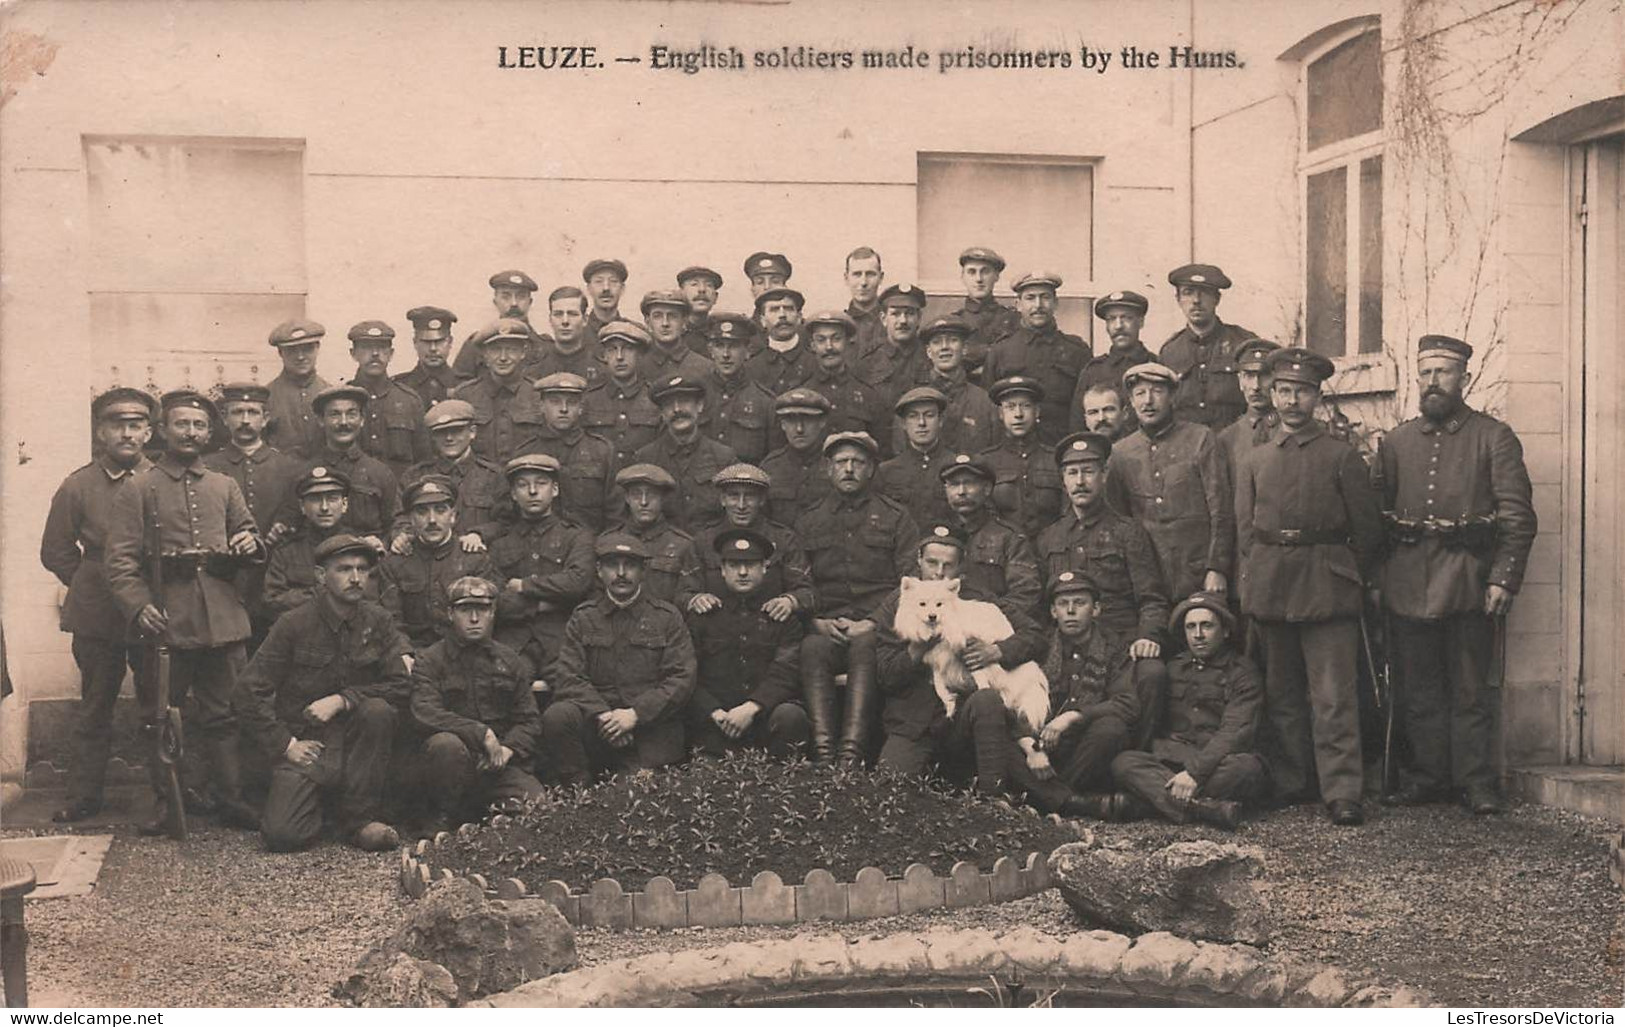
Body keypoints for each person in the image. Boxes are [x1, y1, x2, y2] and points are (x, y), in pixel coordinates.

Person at [1375, 334, 1537, 814]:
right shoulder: (1397, 441)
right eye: (1425, 372)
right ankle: (1427, 777)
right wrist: (1381, 580)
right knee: (1419, 687)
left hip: (1469, 580)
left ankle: (1475, 780)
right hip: (1408, 582)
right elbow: (1375, 517)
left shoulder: (1494, 437)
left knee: (1470, 687)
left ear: (1463, 377)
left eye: (1443, 372)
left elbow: (1517, 516)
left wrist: (1503, 578)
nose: (1432, 382)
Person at [1235, 347, 1383, 826]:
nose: (1290, 400)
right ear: (1272, 394)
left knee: (1333, 694)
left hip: (1326, 585)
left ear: (1317, 396)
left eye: (1300, 391)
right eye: (1282, 390)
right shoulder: (1256, 460)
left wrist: (1344, 573)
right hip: (1273, 582)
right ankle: (1294, 781)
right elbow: (1245, 531)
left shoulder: (1341, 456)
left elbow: (1367, 531)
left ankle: (1342, 790)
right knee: (1281, 692)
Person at [105, 389, 263, 833]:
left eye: (198, 425)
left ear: (210, 432)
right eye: (181, 424)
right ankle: (165, 801)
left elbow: (249, 536)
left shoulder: (223, 486)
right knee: (159, 715)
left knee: (226, 713)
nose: (190, 432)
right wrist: (138, 607)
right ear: (162, 430)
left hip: (223, 618)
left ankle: (231, 799)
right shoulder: (139, 488)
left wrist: (251, 543)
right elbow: (119, 561)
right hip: (167, 621)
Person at [238, 534, 407, 852]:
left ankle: (359, 822)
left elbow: (401, 684)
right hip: (310, 744)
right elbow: (248, 690)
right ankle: (327, 811)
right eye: (344, 569)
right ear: (320, 576)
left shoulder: (379, 621)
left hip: (359, 744)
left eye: (362, 569)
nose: (356, 578)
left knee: (378, 711)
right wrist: (286, 744)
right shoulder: (294, 624)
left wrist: (343, 699)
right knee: (282, 835)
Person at [41, 388, 158, 823]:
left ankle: (162, 794)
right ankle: (84, 795)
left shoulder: (160, 479)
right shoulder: (78, 485)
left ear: (148, 431)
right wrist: (92, 583)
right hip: (97, 615)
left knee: (156, 702)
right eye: (116, 425)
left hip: (150, 607)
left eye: (135, 425)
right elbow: (55, 550)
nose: (126, 434)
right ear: (101, 432)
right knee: (95, 704)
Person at [871, 525, 1046, 793]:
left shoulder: (979, 598)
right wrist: (918, 649)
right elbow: (886, 675)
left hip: (965, 717)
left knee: (987, 701)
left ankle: (992, 797)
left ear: (960, 568)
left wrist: (997, 650)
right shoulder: (898, 603)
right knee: (889, 788)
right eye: (931, 562)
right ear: (918, 560)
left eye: (948, 565)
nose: (939, 572)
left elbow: (1034, 635)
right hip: (913, 721)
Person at [1034, 432, 1171, 742]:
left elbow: (1152, 598)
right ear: (1063, 480)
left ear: (1104, 474)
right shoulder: (1049, 538)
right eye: (1072, 472)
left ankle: (1137, 754)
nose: (1080, 480)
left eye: (1088, 471)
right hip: (1066, 645)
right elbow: (1041, 605)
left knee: (1152, 674)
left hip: (1120, 646)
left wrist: (1148, 636)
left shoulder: (1128, 532)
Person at [795, 431, 919, 762]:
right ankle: (823, 750)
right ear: (828, 469)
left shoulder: (896, 517)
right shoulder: (809, 519)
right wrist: (816, 622)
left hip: (877, 629)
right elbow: (797, 579)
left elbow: (910, 581)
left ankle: (851, 751)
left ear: (872, 469)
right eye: (841, 462)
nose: (849, 469)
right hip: (828, 626)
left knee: (866, 647)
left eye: (858, 462)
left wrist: (874, 623)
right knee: (812, 648)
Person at [540, 533, 696, 785]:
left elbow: (681, 679)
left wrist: (635, 714)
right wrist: (604, 715)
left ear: (643, 571)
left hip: (649, 731)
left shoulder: (667, 618)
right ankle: (578, 790)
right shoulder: (583, 618)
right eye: (613, 565)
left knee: (636, 797)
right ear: (599, 571)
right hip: (598, 726)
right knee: (558, 715)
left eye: (630, 565)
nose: (621, 573)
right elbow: (568, 677)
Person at [1110, 592, 1269, 828]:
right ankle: (1204, 810)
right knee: (1123, 762)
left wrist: (1194, 774)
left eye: (1207, 626)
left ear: (1225, 631)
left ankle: (1148, 804)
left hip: (1218, 762)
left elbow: (1235, 732)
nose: (1198, 635)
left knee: (1248, 769)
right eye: (1191, 627)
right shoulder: (1174, 667)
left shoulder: (1242, 673)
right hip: (1173, 759)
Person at [409, 576, 545, 830]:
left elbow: (529, 720)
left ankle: (487, 819)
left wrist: (507, 750)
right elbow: (425, 711)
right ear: (450, 613)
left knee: (538, 806)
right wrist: (480, 733)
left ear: (493, 612)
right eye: (464, 609)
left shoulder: (509, 660)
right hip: (452, 764)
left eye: (482, 609)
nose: (474, 618)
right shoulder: (430, 659)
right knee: (445, 745)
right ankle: (445, 818)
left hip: (497, 765)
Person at [1010, 572, 1138, 817]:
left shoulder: (1113, 647)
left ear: (1096, 609)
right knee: (996, 730)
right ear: (1052, 611)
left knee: (1112, 729)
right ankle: (1069, 802)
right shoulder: (1038, 646)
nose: (1070, 611)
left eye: (1079, 603)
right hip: (1035, 746)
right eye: (1062, 604)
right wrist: (1031, 749)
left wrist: (1073, 716)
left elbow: (1128, 703)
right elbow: (1012, 701)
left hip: (1080, 751)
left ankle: (1043, 797)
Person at [1108, 362, 1234, 602]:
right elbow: (1119, 520)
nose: (1148, 401)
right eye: (1140, 394)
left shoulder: (1201, 439)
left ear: (1173, 396)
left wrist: (1217, 568)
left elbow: (1221, 511)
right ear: (1131, 402)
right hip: (1147, 579)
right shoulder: (1121, 453)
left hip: (1198, 574)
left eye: (1157, 392)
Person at [685, 529, 812, 759]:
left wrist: (752, 707)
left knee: (791, 716)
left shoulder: (781, 616)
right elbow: (687, 672)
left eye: (751, 564)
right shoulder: (703, 616)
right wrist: (714, 712)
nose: (742, 572)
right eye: (734, 565)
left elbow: (786, 672)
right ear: (722, 570)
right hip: (717, 721)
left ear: (765, 567)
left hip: (763, 719)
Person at [204, 382, 302, 646]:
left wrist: (283, 525)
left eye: (253, 412)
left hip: (272, 578)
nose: (245, 420)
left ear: (266, 418)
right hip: (223, 577)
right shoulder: (208, 467)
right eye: (237, 412)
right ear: (224, 418)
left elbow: (294, 515)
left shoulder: (289, 468)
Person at [488, 454, 594, 679]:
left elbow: (578, 582)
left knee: (569, 695)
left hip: (562, 640)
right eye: (523, 485)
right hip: (513, 642)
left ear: (555, 490)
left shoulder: (576, 537)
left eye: (541, 483)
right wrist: (540, 605)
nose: (533, 491)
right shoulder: (500, 543)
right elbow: (494, 599)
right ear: (513, 495)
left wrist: (525, 586)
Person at [379, 476, 500, 651]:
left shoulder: (475, 559)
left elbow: (487, 618)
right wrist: (404, 653)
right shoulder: (395, 562)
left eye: (440, 510)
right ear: (411, 520)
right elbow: (392, 620)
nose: (432, 520)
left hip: (465, 653)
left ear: (453, 516)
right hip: (414, 654)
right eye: (422, 512)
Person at [681, 462, 815, 620]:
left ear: (762, 500)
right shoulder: (703, 541)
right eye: (733, 496)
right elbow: (682, 594)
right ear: (722, 500)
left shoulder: (784, 539)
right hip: (717, 631)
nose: (741, 505)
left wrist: (790, 601)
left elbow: (808, 592)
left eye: (750, 496)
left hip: (770, 630)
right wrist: (696, 599)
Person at [979, 272, 1090, 447]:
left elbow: (1084, 408)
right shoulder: (1001, 351)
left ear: (1055, 303)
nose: (1038, 305)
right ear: (1018, 304)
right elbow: (989, 409)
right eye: (1030, 298)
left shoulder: (1076, 350)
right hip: (1012, 451)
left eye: (1045, 297)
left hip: (1061, 448)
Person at [264, 467, 379, 621]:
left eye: (332, 499)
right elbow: (272, 600)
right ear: (302, 507)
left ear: (344, 504)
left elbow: (370, 599)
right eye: (315, 499)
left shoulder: (360, 547)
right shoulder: (287, 550)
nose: (324, 507)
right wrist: (327, 593)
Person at [628, 374, 739, 531]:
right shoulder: (645, 458)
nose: (677, 409)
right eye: (668, 405)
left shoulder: (724, 458)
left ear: (700, 405)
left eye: (684, 401)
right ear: (661, 413)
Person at [939, 454, 1042, 617]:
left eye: (969, 483)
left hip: (993, 628)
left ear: (987, 489)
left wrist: (984, 618)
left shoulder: (1009, 537)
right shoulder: (936, 537)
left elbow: (1025, 595)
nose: (961, 492)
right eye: (954, 484)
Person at [1158, 263, 1257, 430]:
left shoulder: (1243, 343)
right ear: (1178, 300)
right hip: (1186, 446)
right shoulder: (1170, 351)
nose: (1196, 301)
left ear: (1217, 299)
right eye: (1188, 293)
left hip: (1232, 444)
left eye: (1204, 293)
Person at [296, 384, 400, 539]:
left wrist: (383, 545)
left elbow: (395, 525)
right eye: (334, 414)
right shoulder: (305, 472)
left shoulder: (380, 473)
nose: (344, 422)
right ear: (320, 420)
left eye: (351, 414)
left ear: (362, 419)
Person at [398, 399, 506, 540]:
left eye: (456, 431)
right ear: (433, 437)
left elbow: (506, 522)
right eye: (441, 432)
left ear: (472, 432)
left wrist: (479, 534)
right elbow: (399, 518)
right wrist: (403, 536)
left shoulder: (493, 476)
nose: (449, 438)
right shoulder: (415, 476)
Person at [450, 319, 547, 466]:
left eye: (511, 350)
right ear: (485, 355)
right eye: (495, 350)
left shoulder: (538, 393)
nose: (503, 357)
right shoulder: (465, 396)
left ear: (523, 352)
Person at [902, 315, 999, 456]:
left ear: (965, 348)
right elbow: (902, 453)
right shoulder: (912, 400)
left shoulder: (984, 401)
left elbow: (994, 452)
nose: (944, 348)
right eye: (937, 342)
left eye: (952, 341)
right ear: (929, 352)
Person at [532, 372, 617, 532]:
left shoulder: (602, 451)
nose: (563, 409)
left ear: (581, 408)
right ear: (542, 406)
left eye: (571, 403)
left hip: (593, 546)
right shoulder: (527, 452)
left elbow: (616, 514)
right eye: (555, 402)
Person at [981, 376, 1062, 539]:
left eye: (1025, 406)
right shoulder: (985, 462)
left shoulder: (1056, 460)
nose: (1018, 414)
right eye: (1010, 407)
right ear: (1001, 414)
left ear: (1037, 411)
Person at [347, 320, 430, 478]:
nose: (375, 354)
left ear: (391, 353)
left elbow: (423, 461)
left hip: (398, 494)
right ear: (353, 353)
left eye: (381, 347)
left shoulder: (410, 401)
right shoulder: (342, 400)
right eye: (366, 347)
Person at [607, 464, 701, 604]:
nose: (644, 502)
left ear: (663, 498)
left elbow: (686, 598)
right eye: (636, 495)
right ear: (627, 498)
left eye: (651, 494)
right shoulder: (609, 542)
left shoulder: (683, 545)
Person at [582, 320, 664, 470]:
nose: (619, 357)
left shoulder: (655, 399)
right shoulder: (589, 400)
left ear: (639, 354)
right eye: (612, 349)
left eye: (627, 349)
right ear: (605, 356)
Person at [803, 309, 889, 451]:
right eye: (821, 340)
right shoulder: (803, 393)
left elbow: (882, 451)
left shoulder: (869, 396)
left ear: (848, 342)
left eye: (836, 339)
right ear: (812, 345)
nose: (829, 347)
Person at [1071, 291, 1156, 434]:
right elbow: (1077, 425)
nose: (1118, 326)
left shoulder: (1156, 366)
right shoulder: (1093, 371)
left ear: (1140, 322)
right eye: (1111, 319)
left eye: (1126, 318)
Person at [698, 312, 777, 464]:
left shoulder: (766, 402)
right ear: (710, 350)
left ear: (748, 351)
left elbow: (772, 462)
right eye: (719, 346)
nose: (726, 355)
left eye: (733, 346)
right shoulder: (695, 394)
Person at [875, 386, 956, 527]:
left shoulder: (956, 466)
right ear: (903, 424)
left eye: (929, 415)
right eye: (913, 416)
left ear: (941, 420)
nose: (921, 423)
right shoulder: (886, 471)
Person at [450, 269, 544, 378]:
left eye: (521, 296)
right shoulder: (475, 345)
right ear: (495, 302)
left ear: (530, 302)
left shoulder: (544, 347)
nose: (514, 303)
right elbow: (460, 386)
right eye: (506, 297)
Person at [947, 246, 1020, 384]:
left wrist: (973, 354)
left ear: (996, 276)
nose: (979, 279)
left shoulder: (1014, 320)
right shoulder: (953, 322)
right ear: (963, 277)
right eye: (972, 272)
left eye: (985, 272)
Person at [760, 386, 835, 520]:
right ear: (782, 424)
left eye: (807, 420)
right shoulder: (770, 467)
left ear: (822, 422)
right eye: (791, 421)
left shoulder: (837, 464)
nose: (799, 429)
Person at [264, 318, 330, 460]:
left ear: (317, 348)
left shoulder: (330, 394)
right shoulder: (266, 397)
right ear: (280, 353)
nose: (300, 357)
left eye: (307, 349)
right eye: (292, 350)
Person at [1216, 338, 1281, 472]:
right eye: (1249, 376)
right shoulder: (1227, 438)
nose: (1255, 386)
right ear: (1240, 381)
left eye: (1264, 375)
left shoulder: (1290, 430)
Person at [855, 282, 927, 403]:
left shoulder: (929, 357)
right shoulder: (868, 361)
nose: (903, 320)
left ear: (919, 318)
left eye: (909, 313)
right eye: (895, 314)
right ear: (883, 319)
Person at [745, 286, 817, 396]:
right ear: (762, 321)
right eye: (774, 309)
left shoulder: (816, 363)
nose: (782, 315)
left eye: (788, 308)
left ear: (799, 317)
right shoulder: (750, 368)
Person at [527, 287, 602, 389]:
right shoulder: (535, 369)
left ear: (585, 320)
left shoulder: (600, 368)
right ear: (550, 319)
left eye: (572, 314)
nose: (565, 321)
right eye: (558, 314)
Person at [641, 288, 715, 382]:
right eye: (657, 316)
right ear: (648, 322)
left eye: (672, 316)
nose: (665, 323)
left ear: (684, 321)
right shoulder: (638, 366)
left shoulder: (706, 368)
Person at [394, 305, 462, 407]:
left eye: (439, 341)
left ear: (450, 342)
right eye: (426, 342)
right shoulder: (399, 387)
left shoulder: (464, 387)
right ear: (415, 343)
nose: (433, 348)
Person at [843, 246, 886, 355]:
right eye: (857, 274)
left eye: (870, 274)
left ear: (881, 278)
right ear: (846, 278)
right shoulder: (841, 325)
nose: (863, 282)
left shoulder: (892, 324)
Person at [676, 266, 723, 355]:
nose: (702, 290)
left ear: (715, 297)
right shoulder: (670, 334)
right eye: (694, 284)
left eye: (709, 285)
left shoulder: (720, 335)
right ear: (681, 294)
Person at [582, 257, 630, 341]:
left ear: (622, 288)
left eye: (613, 281)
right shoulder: (578, 334)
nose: (606, 288)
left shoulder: (632, 332)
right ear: (589, 289)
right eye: (599, 281)